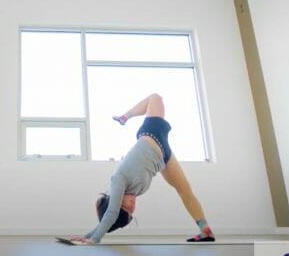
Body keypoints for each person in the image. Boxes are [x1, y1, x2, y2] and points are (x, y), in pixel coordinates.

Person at [71, 93, 215, 244]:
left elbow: (111, 214)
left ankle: (125, 117)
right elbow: (108, 221)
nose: (132, 206)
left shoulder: (117, 180)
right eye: (131, 212)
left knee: (156, 97)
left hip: (151, 133)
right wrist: (86, 236)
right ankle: (205, 231)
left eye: (126, 208)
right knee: (185, 191)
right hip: (164, 158)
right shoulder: (134, 192)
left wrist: (94, 239)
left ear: (116, 202)